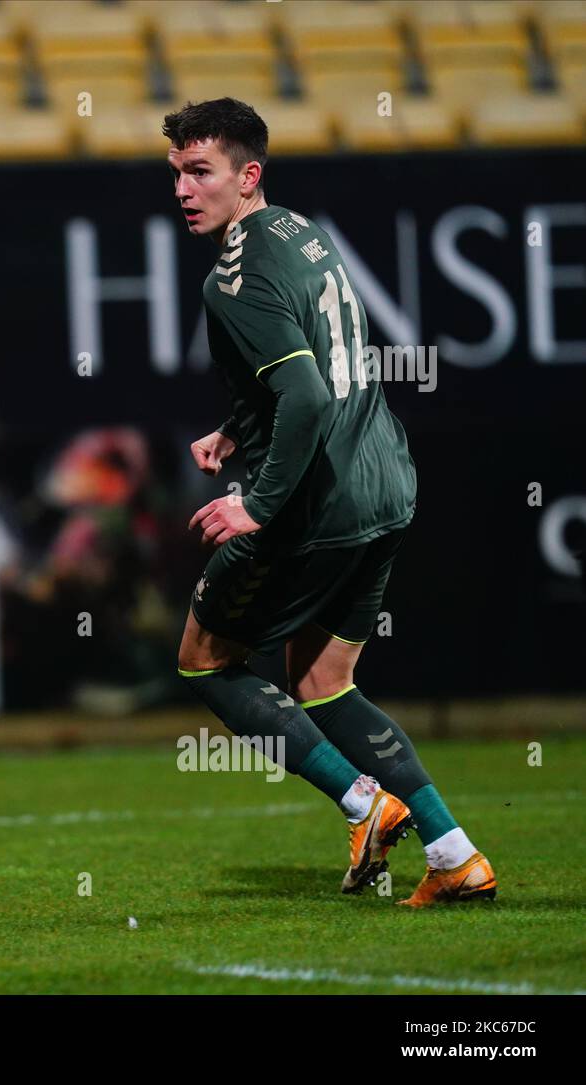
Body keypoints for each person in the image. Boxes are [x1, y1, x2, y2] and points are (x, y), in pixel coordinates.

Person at [165, 98, 495, 907]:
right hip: (387, 480)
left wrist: (255, 503)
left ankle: (363, 804)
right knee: (324, 678)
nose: (182, 188)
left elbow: (306, 397)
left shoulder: (231, 276)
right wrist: (236, 430)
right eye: (175, 172)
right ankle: (453, 854)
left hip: (321, 499)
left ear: (248, 176)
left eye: (200, 171)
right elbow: (310, 367)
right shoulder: (301, 235)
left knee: (205, 657)